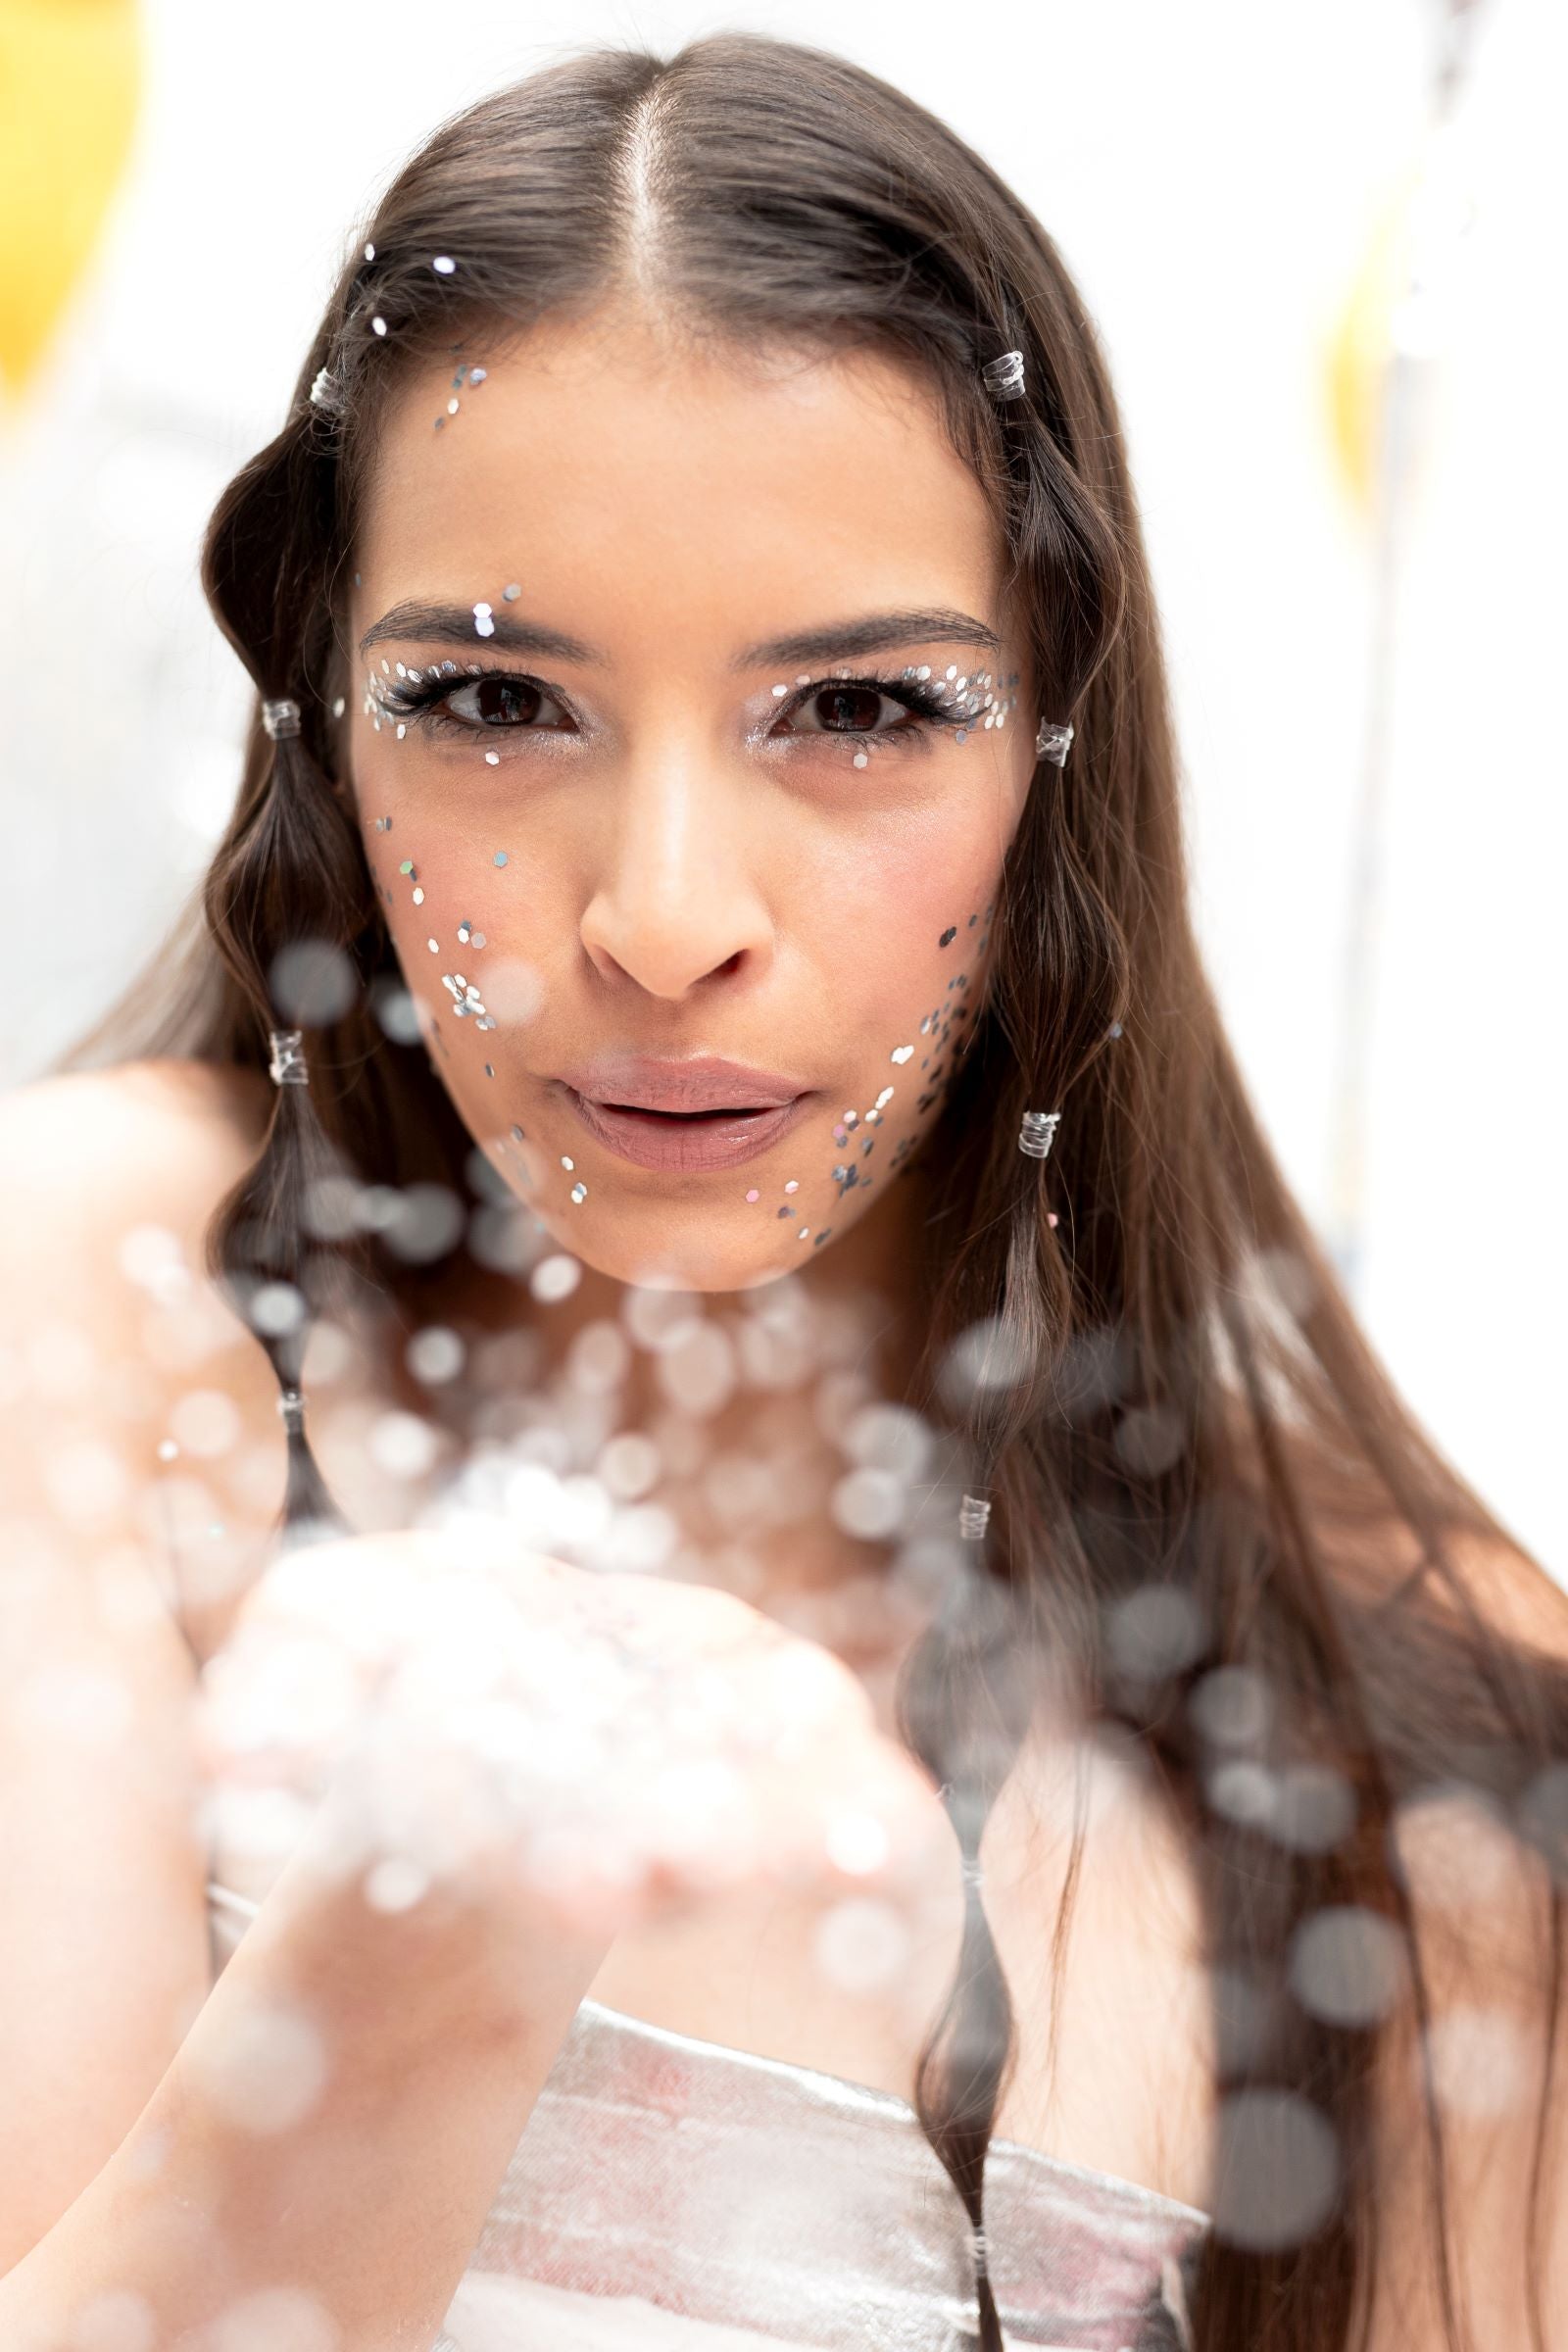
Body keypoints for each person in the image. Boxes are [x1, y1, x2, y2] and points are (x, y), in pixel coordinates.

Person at [0, 30, 1563, 2352]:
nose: (657, 916)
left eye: (854, 716)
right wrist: (433, 1942)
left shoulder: (1416, 1760)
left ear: (1058, 747)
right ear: (325, 716)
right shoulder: (100, 1320)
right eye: (492, 704)